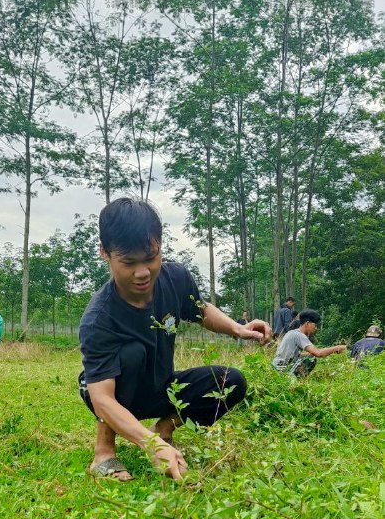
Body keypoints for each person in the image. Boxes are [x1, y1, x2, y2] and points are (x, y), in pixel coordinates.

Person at [78, 198, 271, 482]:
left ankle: (164, 429)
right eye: (129, 262)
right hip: (114, 393)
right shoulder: (99, 319)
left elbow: (201, 310)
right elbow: (103, 399)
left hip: (161, 386)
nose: (142, 272)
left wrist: (237, 328)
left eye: (150, 258)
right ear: (104, 254)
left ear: (159, 246)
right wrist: (150, 448)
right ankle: (103, 452)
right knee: (132, 353)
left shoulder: (175, 277)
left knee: (232, 382)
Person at [272, 309, 346, 376]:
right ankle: (298, 381)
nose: (316, 328)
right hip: (282, 369)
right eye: (315, 325)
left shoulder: (291, 332)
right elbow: (318, 353)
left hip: (275, 366)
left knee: (309, 356)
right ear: (307, 323)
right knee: (311, 359)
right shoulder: (299, 335)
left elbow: (293, 354)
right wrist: (337, 348)